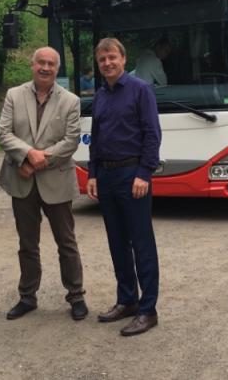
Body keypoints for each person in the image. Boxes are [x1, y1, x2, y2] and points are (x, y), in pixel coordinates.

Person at [0, 47, 88, 321]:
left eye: (51, 64)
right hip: (21, 181)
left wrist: (37, 161)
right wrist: (26, 156)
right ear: (32, 64)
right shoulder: (14, 95)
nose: (45, 68)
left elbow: (71, 141)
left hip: (56, 181)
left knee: (67, 242)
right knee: (27, 243)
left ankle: (76, 295)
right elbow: (3, 133)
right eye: (41, 63)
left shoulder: (70, 101)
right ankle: (27, 296)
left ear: (57, 69)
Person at [87, 37, 161, 337]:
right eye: (102, 59)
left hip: (133, 176)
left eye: (112, 57)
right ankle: (126, 300)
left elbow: (152, 134)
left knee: (141, 243)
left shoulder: (140, 90)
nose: (107, 63)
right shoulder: (101, 95)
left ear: (123, 58)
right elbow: (96, 137)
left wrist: (144, 172)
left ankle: (148, 310)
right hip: (105, 176)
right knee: (117, 242)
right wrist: (92, 174)